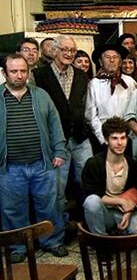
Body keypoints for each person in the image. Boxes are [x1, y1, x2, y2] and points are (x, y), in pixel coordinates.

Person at [0, 54, 68, 263]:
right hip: (9, 167)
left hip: (42, 163)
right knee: (13, 209)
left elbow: (55, 125)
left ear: (28, 72)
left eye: (23, 71)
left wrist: (59, 151)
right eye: (14, 71)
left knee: (48, 205)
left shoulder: (41, 96)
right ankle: (18, 246)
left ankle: (52, 242)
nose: (19, 75)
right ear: (4, 73)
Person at [33, 35, 94, 224]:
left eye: (72, 51)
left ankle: (88, 224)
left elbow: (86, 107)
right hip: (56, 142)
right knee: (57, 188)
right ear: (54, 51)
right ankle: (59, 229)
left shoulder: (82, 75)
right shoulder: (39, 75)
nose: (68, 54)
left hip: (80, 139)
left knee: (87, 182)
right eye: (64, 49)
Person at [81, 117, 137, 236]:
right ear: (106, 140)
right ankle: (102, 242)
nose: (120, 143)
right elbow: (92, 194)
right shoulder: (94, 163)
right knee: (91, 202)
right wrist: (120, 201)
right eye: (114, 138)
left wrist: (128, 211)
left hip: (124, 211)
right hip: (103, 211)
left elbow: (135, 192)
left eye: (123, 138)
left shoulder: (132, 165)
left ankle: (119, 235)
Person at [86, 44, 137, 150]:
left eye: (115, 57)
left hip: (127, 138)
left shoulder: (130, 82)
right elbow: (90, 116)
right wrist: (104, 138)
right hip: (102, 139)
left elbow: (136, 110)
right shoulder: (94, 84)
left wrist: (127, 136)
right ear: (100, 61)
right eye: (107, 57)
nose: (111, 60)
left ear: (120, 62)